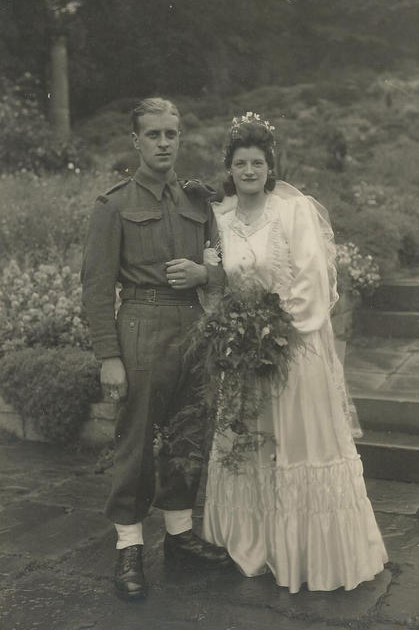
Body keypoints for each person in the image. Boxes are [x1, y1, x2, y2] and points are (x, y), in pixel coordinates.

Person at [202, 113, 388, 593]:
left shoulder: (293, 211)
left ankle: (308, 554)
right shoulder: (218, 218)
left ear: (269, 166)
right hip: (242, 356)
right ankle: (253, 541)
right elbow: (217, 285)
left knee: (298, 447)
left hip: (292, 350)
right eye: (240, 162)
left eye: (257, 162)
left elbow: (312, 283)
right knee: (251, 447)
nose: (249, 170)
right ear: (229, 166)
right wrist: (236, 334)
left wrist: (271, 333)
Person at [81, 97, 230, 601]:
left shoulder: (197, 201)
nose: (164, 143)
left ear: (180, 137)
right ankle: (128, 546)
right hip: (140, 325)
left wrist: (206, 273)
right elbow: (96, 287)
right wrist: (108, 355)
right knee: (136, 439)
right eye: (154, 135)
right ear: (136, 141)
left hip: (193, 325)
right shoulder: (114, 204)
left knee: (191, 432)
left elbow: (224, 267)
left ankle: (181, 533)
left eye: (172, 134)